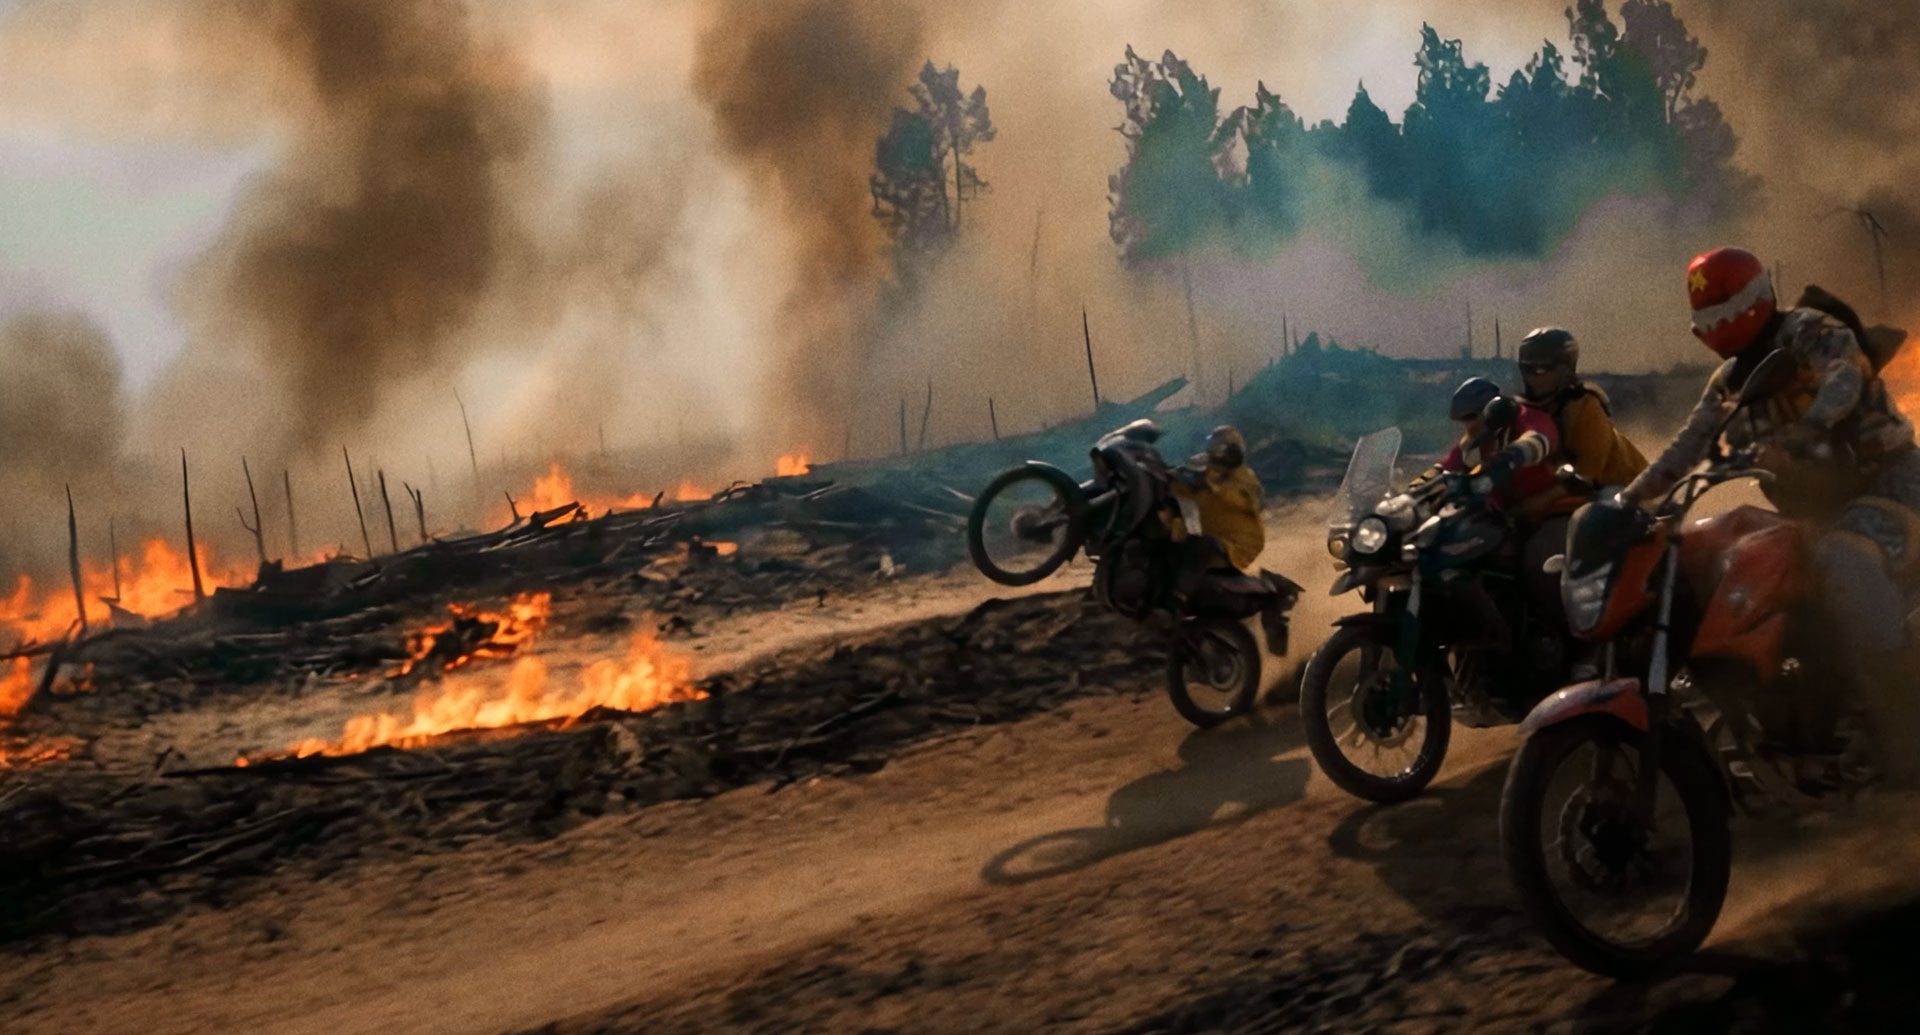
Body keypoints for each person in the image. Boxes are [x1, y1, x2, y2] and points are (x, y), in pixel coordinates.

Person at [1619, 246, 1920, 777]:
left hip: (1890, 481)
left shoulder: (1810, 331)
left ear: (1753, 301)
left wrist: (1809, 428)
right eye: (1705, 319)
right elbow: (1689, 445)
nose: (1713, 328)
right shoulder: (1730, 382)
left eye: (1720, 314)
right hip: (1816, 506)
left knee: (1845, 562)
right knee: (1735, 564)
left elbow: (1844, 378)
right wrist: (1629, 498)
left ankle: (1904, 714)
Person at [1516, 327, 1649, 489]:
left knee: (1591, 513)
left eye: (1542, 369)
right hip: (1573, 491)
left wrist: (1537, 503)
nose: (1533, 377)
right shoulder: (1523, 409)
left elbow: (1587, 475)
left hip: (1625, 489)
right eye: (1527, 369)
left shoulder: (1585, 406)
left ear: (1565, 369)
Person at [1168, 425, 1265, 600]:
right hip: (1213, 536)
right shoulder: (1208, 475)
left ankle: (1179, 598)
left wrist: (1212, 485)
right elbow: (1180, 489)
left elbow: (1244, 501)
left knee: (1202, 544)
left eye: (1217, 447)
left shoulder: (1245, 478)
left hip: (1238, 547)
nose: (1213, 451)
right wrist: (1168, 478)